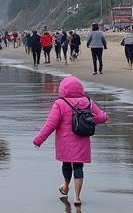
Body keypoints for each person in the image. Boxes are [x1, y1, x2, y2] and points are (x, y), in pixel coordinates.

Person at [33, 76, 107, 205]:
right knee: (78, 167)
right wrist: (88, 120)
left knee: (66, 164)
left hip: (65, 142)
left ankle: (66, 186)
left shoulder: (60, 103)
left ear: (62, 89)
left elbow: (50, 124)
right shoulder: (87, 101)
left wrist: (39, 140)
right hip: (82, 140)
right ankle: (77, 197)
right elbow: (101, 117)